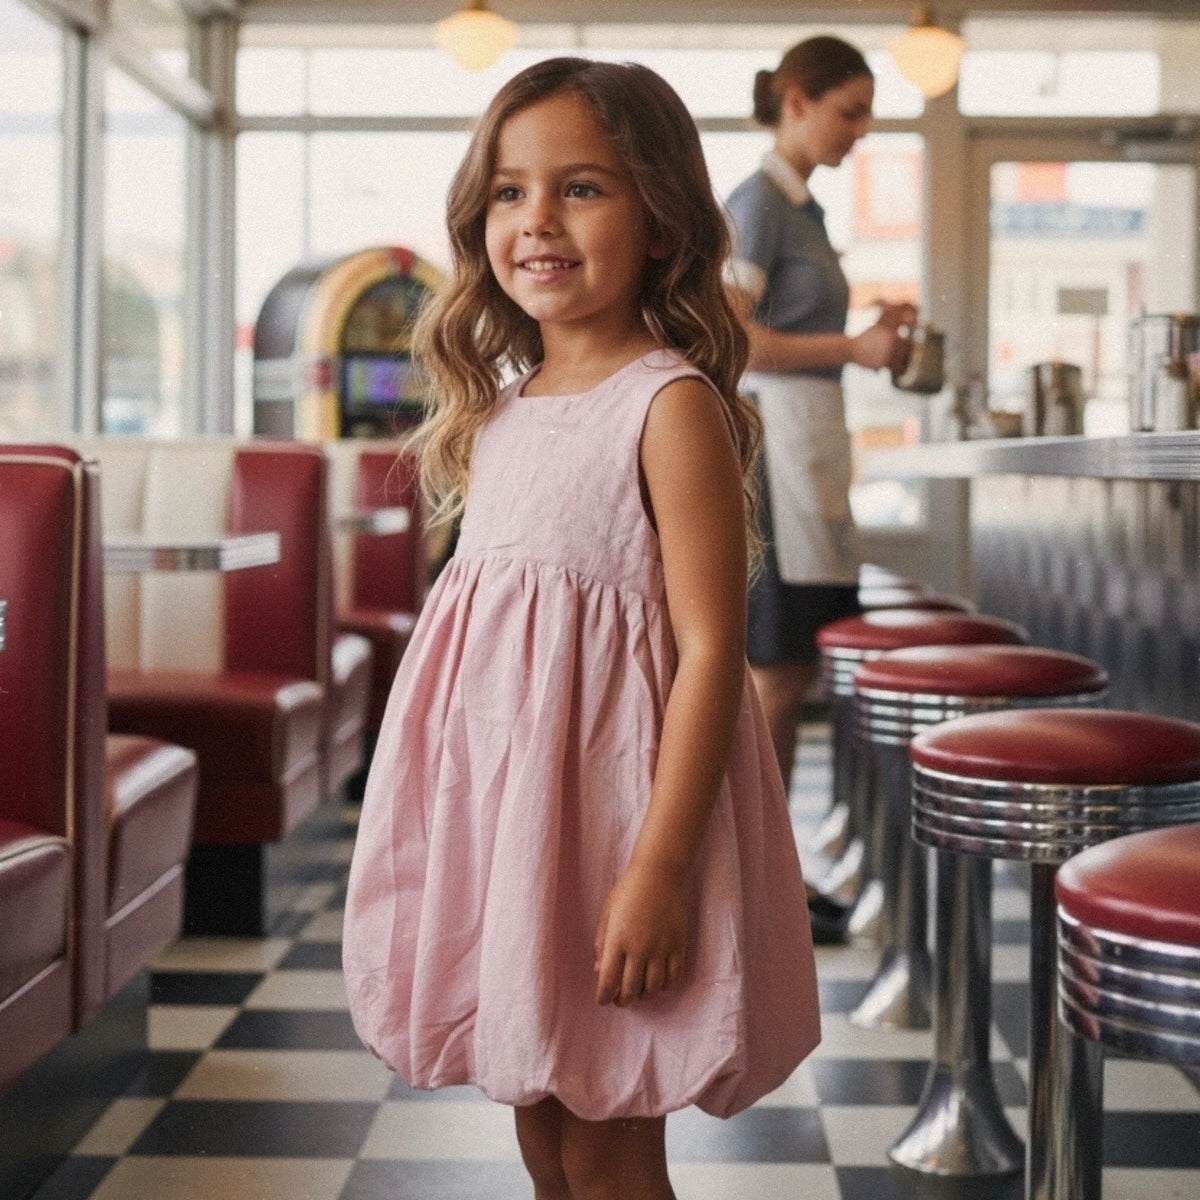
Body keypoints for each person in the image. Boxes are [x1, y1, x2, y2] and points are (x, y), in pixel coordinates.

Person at [343, 57, 819, 1200]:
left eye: (583, 189)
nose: (537, 221)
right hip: (518, 830)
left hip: (614, 827)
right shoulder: (501, 411)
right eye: (509, 192)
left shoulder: (669, 405)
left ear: (661, 221)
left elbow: (713, 651)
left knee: (608, 1144)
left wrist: (658, 868)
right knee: (546, 1132)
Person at [725, 36, 915, 809]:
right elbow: (731, 337)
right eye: (851, 111)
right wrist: (853, 345)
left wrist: (868, 328)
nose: (863, 128)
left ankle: (780, 866)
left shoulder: (802, 206)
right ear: (796, 102)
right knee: (776, 668)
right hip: (776, 449)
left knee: (798, 666)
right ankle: (761, 874)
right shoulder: (758, 203)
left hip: (812, 442)